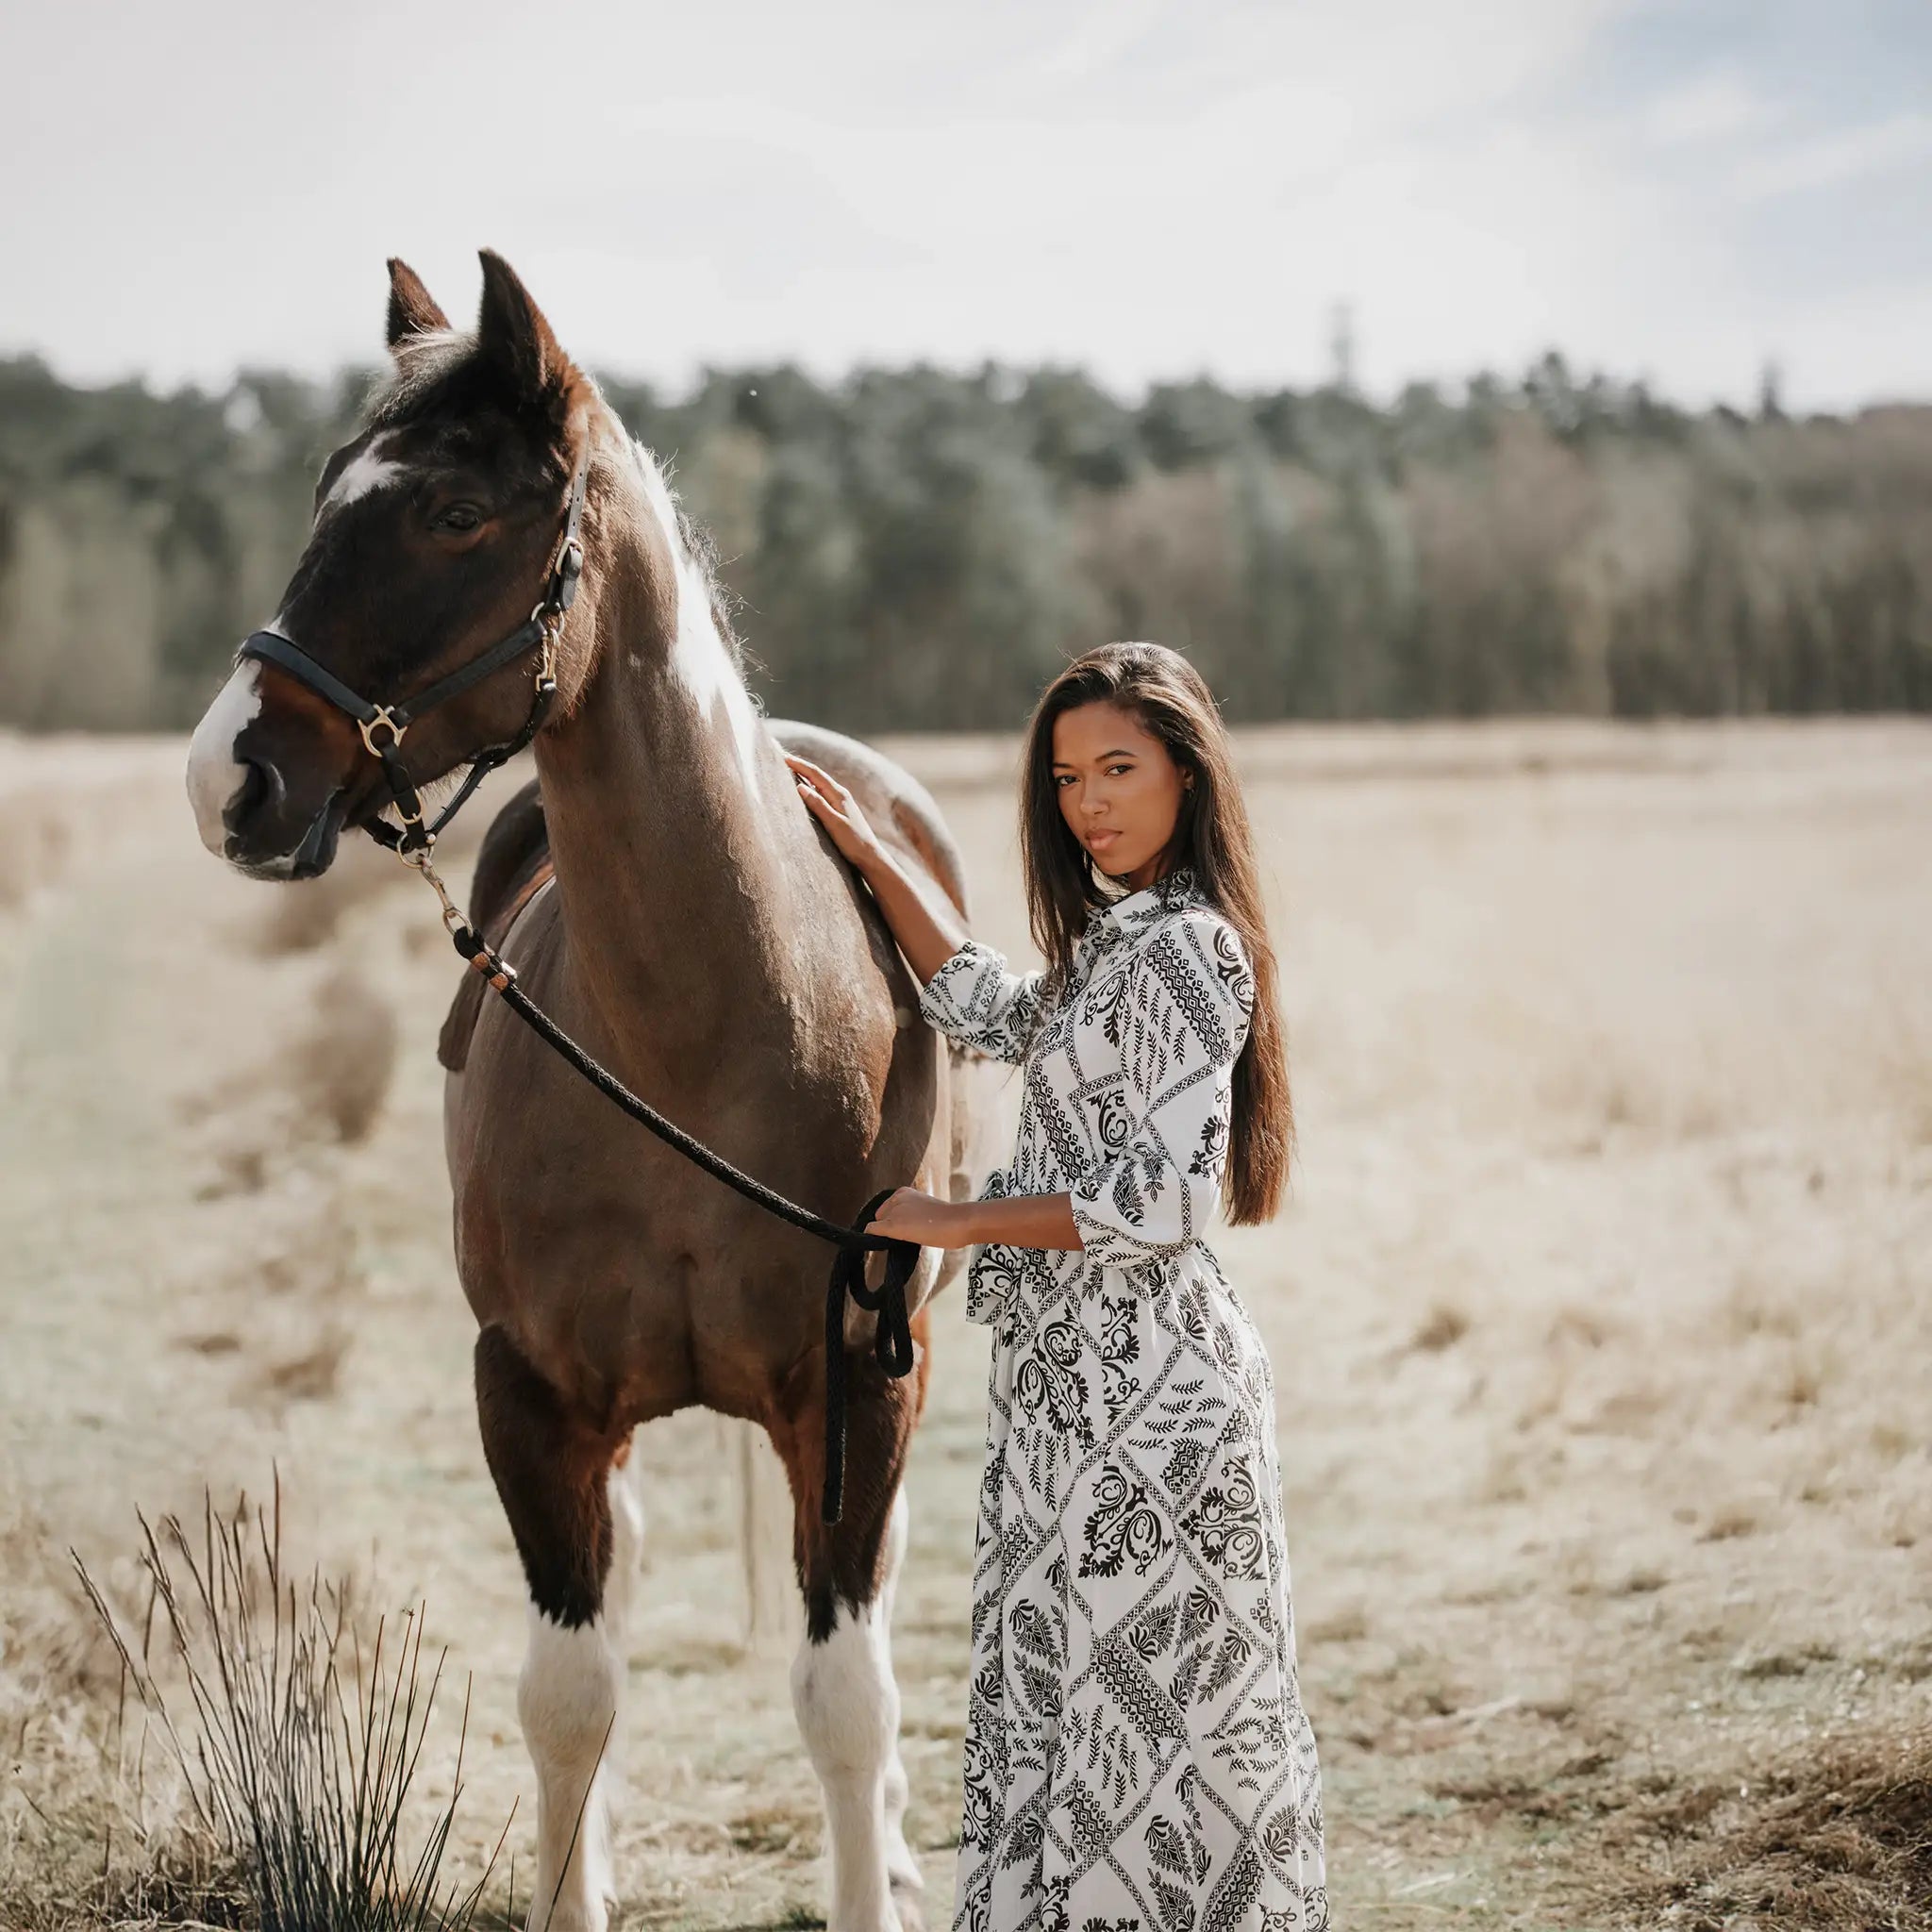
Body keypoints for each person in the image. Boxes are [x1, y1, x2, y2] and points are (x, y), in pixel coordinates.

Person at [788, 641, 1327, 1932]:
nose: (1091, 801)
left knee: (1154, 1744)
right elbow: (988, 1007)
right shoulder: (1115, 944)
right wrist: (871, 855)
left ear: (1189, 777)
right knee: (1073, 1718)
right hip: (1063, 1400)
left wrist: (949, 1217)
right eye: (1071, 775)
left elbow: (1163, 1201)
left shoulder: (1192, 949)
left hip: (1153, 1401)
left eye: (1122, 770)